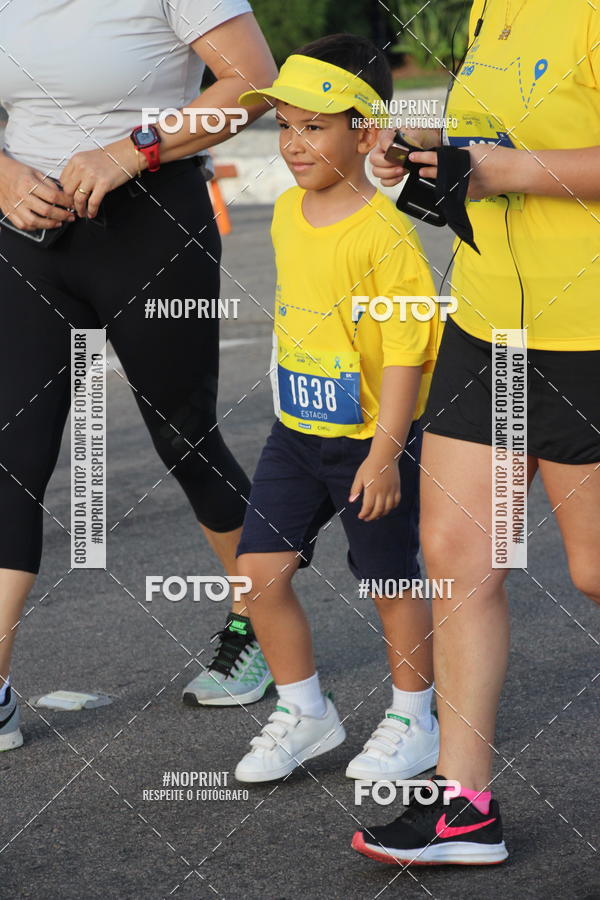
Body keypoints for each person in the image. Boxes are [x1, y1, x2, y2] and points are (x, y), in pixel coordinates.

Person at [352, 0, 600, 866]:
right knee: (458, 555)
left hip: (588, 332)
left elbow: (518, 159)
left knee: (594, 569)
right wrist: (429, 155)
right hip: (488, 325)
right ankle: (463, 807)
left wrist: (505, 170)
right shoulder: (492, 7)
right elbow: (493, 140)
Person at [0, 1, 278, 752]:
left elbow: (253, 84)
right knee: (11, 453)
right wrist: (2, 174)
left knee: (184, 438)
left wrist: (133, 150)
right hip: (27, 232)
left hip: (154, 223)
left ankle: (258, 625)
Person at [231, 34, 441, 784]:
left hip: (371, 443)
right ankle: (305, 711)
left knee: (389, 582)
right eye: (284, 126)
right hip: (296, 433)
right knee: (258, 573)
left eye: (314, 127)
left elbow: (409, 354)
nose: (293, 144)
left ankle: (415, 720)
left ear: (366, 132)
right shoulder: (287, 211)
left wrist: (385, 456)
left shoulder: (387, 235)